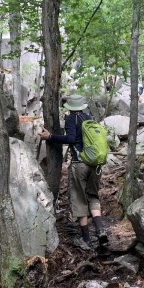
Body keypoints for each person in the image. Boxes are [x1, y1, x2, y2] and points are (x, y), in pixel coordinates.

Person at [40, 94, 108, 250]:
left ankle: (86, 239)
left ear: (70, 107)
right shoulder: (89, 118)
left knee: (79, 200)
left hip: (80, 164)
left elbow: (70, 139)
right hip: (95, 165)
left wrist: (50, 136)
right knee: (93, 196)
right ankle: (100, 231)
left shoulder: (72, 119)